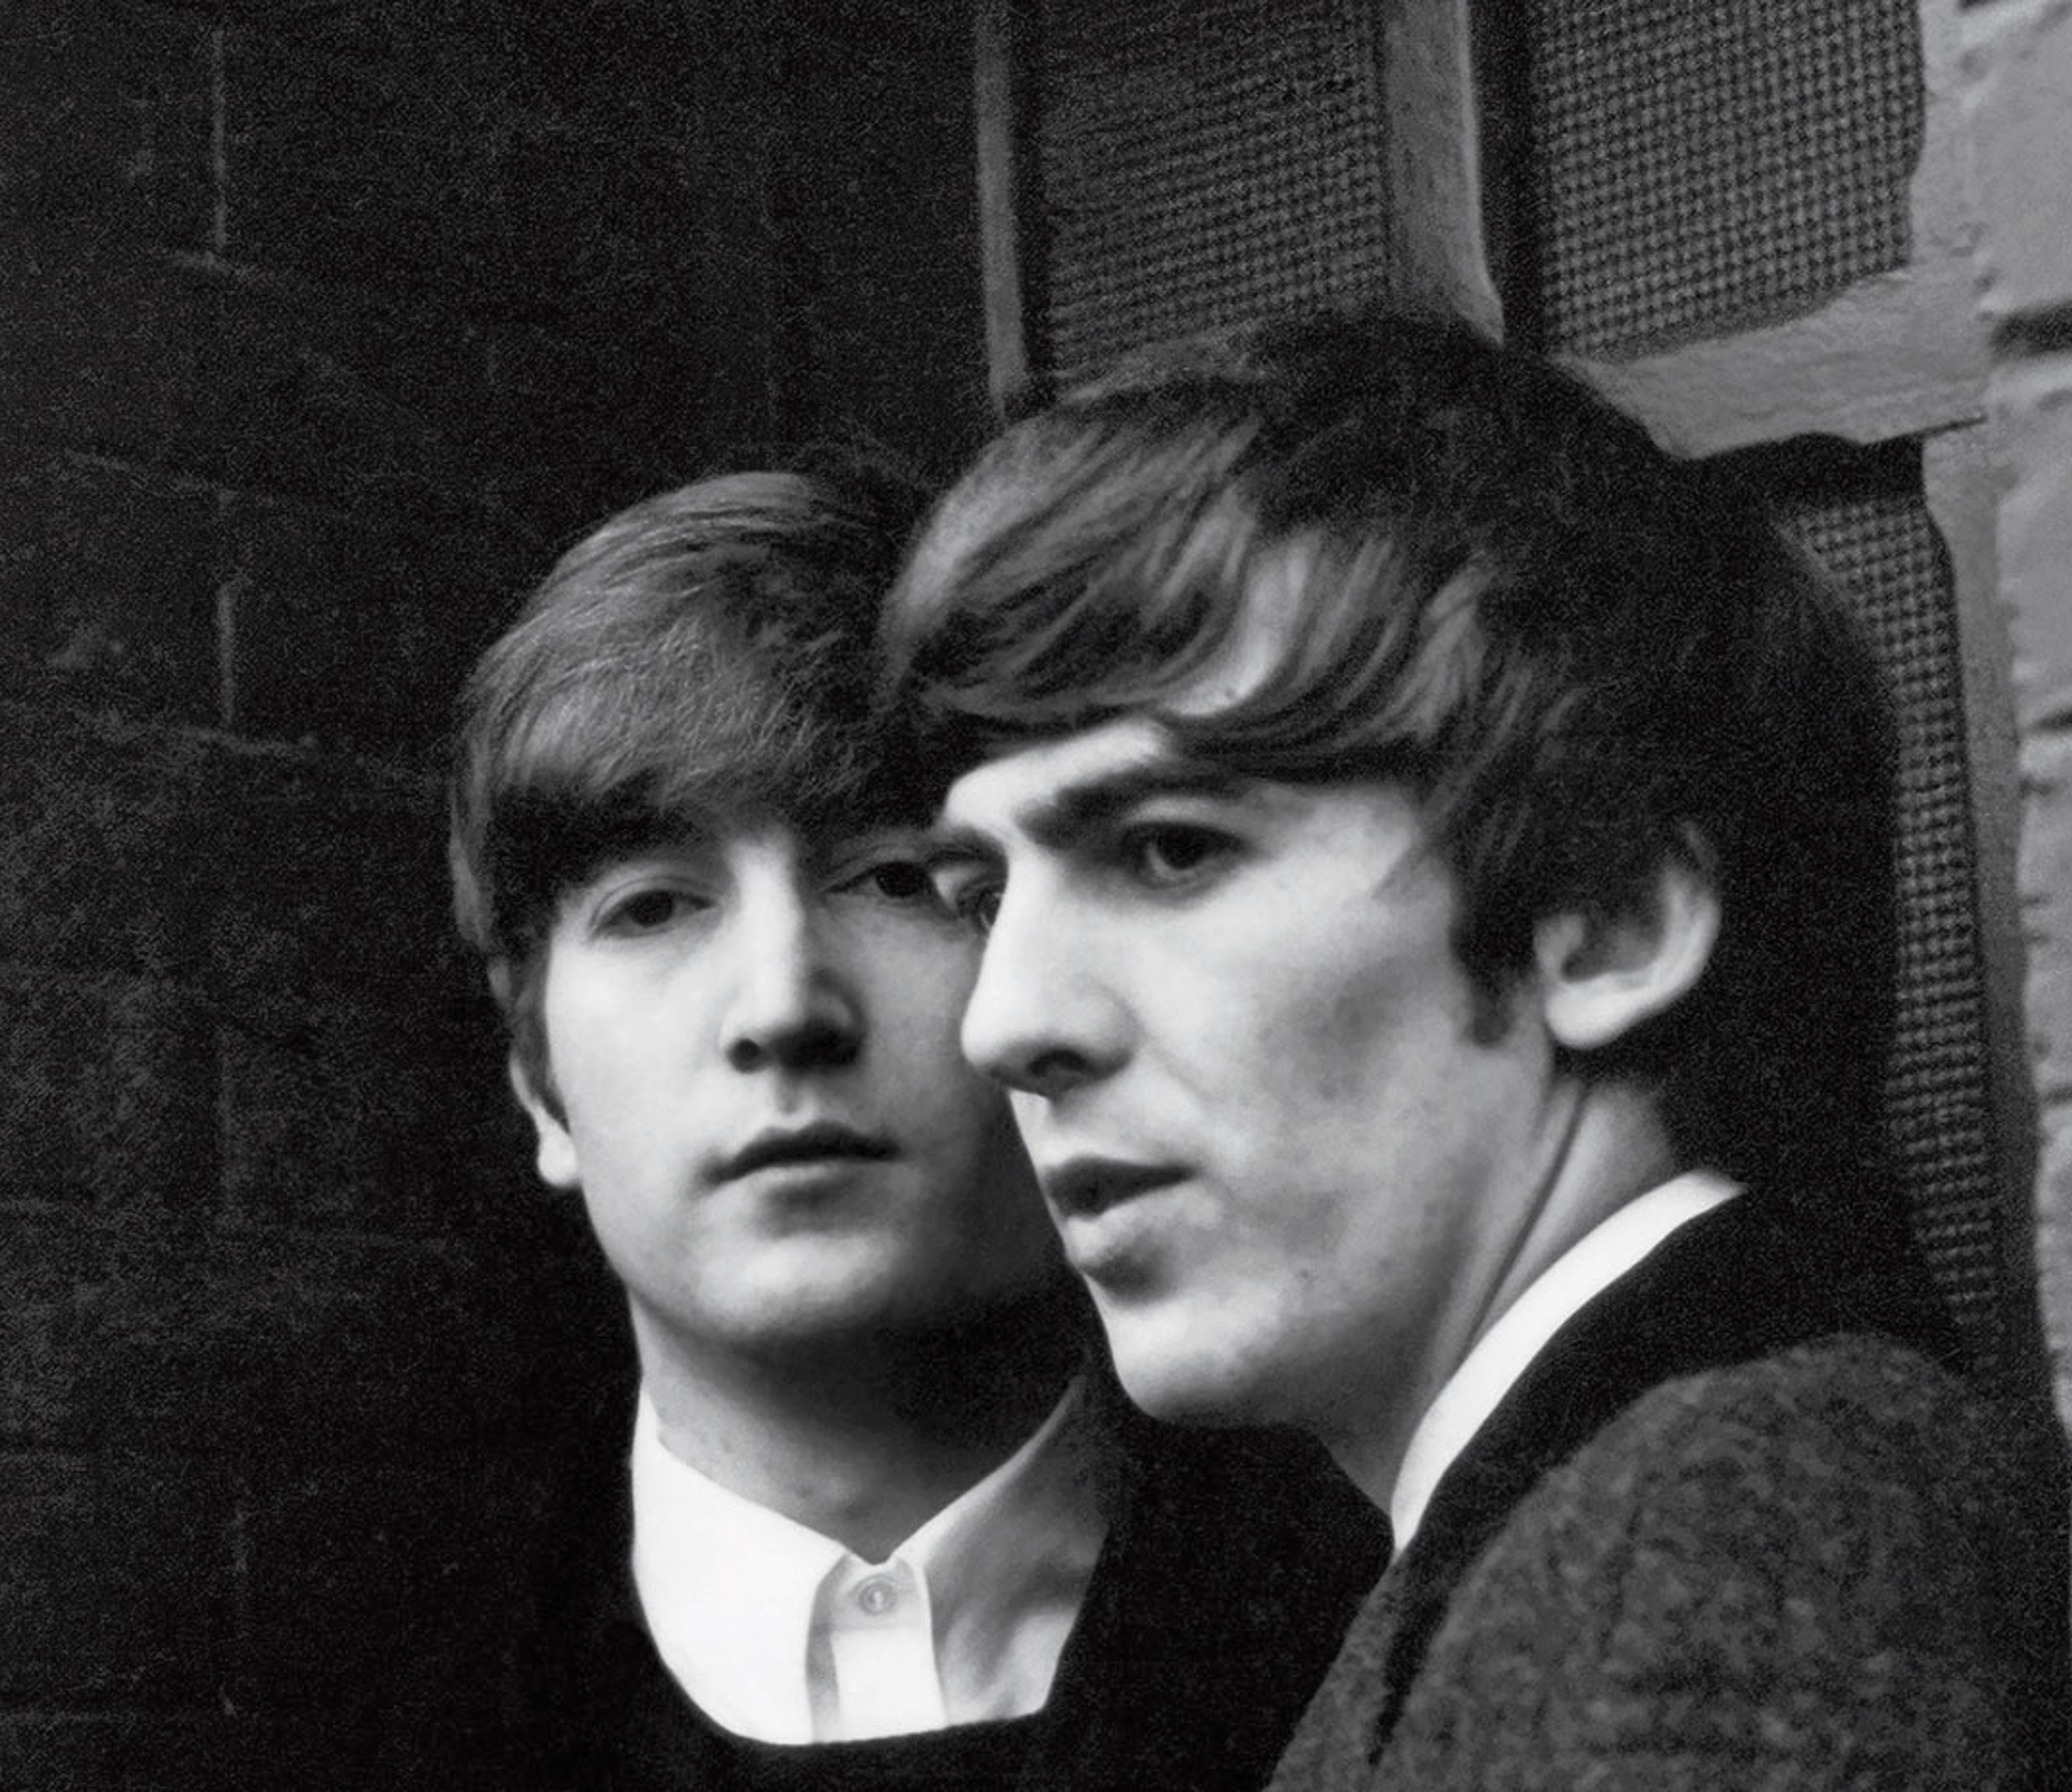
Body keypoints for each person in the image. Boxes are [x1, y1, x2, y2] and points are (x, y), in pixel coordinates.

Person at [885, 310, 2071, 1788]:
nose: (1004, 1022)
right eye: (983, 896)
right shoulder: (1576, 1527)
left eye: (1171, 851)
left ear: (1612, 920)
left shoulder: (1725, 1531)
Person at [374, 468, 1379, 1789]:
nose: (784, 1005)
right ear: (535, 1078)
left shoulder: (1392, 1611)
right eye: (654, 906)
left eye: (897, 878)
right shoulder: (384, 1721)